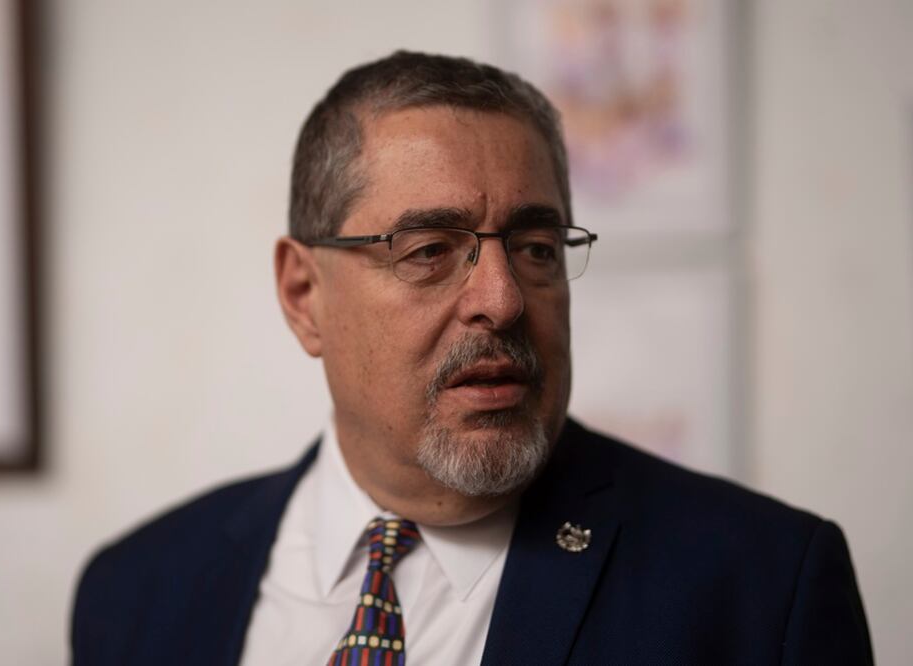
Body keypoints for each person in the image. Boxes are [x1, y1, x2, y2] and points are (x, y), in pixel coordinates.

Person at [71, 51, 872, 665]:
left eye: (534, 246)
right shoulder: (137, 591)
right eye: (428, 249)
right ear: (303, 293)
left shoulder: (762, 590)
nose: (504, 298)